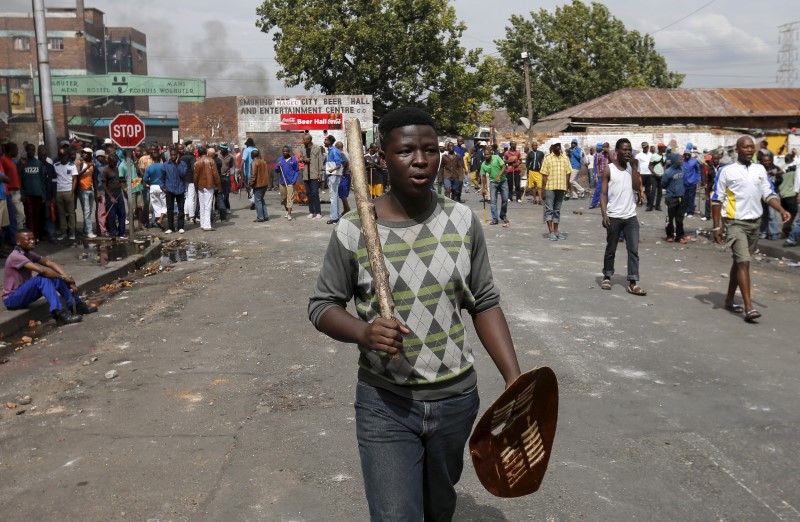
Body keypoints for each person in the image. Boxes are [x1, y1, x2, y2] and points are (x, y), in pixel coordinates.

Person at [307, 106, 521, 522]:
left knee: (438, 508)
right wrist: (364, 333)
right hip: (385, 403)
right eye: (406, 151)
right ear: (382, 157)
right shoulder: (353, 230)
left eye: (429, 149)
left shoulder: (461, 220)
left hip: (456, 400)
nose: (420, 159)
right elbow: (322, 306)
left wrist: (515, 380)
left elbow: (485, 301)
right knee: (395, 515)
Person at [711, 136, 791, 323]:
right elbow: (717, 199)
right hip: (735, 223)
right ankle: (749, 308)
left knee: (739, 262)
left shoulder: (759, 169)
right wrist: (717, 226)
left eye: (751, 147)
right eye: (745, 147)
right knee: (744, 262)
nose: (749, 150)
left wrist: (781, 209)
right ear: (737, 149)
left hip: (754, 224)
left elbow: (768, 193)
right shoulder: (726, 170)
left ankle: (730, 299)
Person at [3, 229, 96, 325]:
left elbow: (50, 264)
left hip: (24, 294)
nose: (32, 241)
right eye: (28, 239)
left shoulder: (29, 253)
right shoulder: (16, 256)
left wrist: (68, 279)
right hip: (12, 299)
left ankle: (76, 305)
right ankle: (59, 314)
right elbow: (42, 270)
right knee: (43, 278)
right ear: (18, 242)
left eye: (33, 239)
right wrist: (64, 278)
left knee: (53, 275)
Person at [599, 139, 646, 295]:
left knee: (633, 249)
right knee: (611, 248)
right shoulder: (609, 169)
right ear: (617, 151)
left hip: (630, 216)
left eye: (629, 150)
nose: (627, 152)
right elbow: (603, 194)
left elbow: (635, 186)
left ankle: (633, 282)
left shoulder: (630, 169)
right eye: (624, 150)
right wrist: (604, 214)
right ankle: (607, 276)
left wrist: (632, 167)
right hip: (614, 216)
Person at [541, 142, 572, 240]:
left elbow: (568, 173)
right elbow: (544, 176)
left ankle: (556, 231)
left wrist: (567, 186)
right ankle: (551, 232)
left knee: (557, 210)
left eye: (559, 145)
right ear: (553, 147)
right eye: (556, 146)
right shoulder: (548, 159)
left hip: (561, 187)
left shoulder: (565, 158)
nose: (558, 147)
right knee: (549, 210)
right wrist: (543, 189)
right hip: (550, 187)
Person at [19, 143, 45, 239]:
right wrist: (22, 194)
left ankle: (36, 236)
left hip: (38, 194)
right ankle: (31, 236)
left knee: (37, 216)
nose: (31, 152)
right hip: (27, 195)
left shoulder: (39, 163)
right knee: (29, 216)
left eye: (33, 150)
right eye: (29, 150)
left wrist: (43, 194)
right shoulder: (22, 164)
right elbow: (20, 180)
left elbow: (42, 180)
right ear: (26, 151)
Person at [194, 147, 222, 231]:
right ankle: (207, 225)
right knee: (208, 205)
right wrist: (219, 185)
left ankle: (202, 224)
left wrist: (196, 186)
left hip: (200, 185)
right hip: (209, 185)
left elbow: (195, 176)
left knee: (202, 205)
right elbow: (215, 174)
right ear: (206, 152)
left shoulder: (197, 162)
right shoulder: (211, 160)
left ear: (198, 153)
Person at [480, 145, 508, 226]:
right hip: (493, 183)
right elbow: (483, 176)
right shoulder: (484, 164)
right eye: (485, 155)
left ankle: (503, 215)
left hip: (503, 181)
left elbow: (504, 166)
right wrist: (484, 188)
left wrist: (499, 176)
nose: (487, 156)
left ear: (491, 154)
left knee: (505, 199)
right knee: (493, 201)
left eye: (488, 154)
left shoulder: (496, 157)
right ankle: (495, 219)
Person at [53, 148, 78, 241]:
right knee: (61, 213)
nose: (62, 157)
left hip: (68, 191)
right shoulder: (55, 165)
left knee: (71, 213)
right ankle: (63, 232)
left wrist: (72, 190)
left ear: (67, 156)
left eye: (64, 155)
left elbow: (75, 178)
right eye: (61, 155)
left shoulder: (72, 166)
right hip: (59, 192)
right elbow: (53, 178)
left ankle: (72, 232)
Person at [162, 148, 188, 234]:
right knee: (170, 209)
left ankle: (180, 226)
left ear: (178, 155)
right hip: (169, 189)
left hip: (180, 189)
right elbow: (161, 177)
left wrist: (177, 164)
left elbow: (183, 174)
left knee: (181, 209)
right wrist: (163, 187)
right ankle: (170, 227)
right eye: (171, 155)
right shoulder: (166, 165)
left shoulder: (183, 164)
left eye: (174, 155)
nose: (173, 156)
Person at [101, 154, 126, 239]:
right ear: (109, 161)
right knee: (111, 215)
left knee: (122, 214)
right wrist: (111, 197)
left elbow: (118, 180)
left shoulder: (116, 169)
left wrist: (127, 180)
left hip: (119, 194)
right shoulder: (105, 171)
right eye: (114, 162)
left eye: (116, 162)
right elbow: (104, 185)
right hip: (110, 195)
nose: (115, 164)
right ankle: (113, 232)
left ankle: (121, 232)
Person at [300, 134, 324, 219]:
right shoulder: (302, 147)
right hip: (306, 174)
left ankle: (318, 212)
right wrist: (303, 159)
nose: (303, 141)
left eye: (304, 140)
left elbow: (320, 161)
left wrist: (320, 174)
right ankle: (311, 211)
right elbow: (300, 158)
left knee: (315, 193)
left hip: (314, 174)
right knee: (309, 194)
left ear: (309, 140)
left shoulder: (317, 148)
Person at [276, 145, 300, 221]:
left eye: (286, 151)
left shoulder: (293, 160)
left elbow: (296, 171)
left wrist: (294, 179)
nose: (285, 152)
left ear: (289, 151)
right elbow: (276, 170)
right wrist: (278, 166)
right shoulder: (279, 160)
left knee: (290, 198)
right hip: (282, 182)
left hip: (290, 182)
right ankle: (287, 210)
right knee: (284, 199)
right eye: (284, 151)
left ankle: (289, 214)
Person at [324, 135, 343, 224]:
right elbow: (331, 165)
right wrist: (326, 169)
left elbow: (338, 164)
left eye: (326, 140)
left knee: (333, 197)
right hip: (331, 175)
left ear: (330, 141)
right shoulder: (330, 151)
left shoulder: (334, 151)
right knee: (334, 197)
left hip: (334, 176)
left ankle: (334, 217)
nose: (324, 141)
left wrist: (332, 170)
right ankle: (336, 216)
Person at [249, 149, 270, 222]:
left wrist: (250, 184)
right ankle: (265, 216)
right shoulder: (264, 162)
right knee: (261, 200)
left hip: (258, 185)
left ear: (252, 155)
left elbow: (253, 175)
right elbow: (267, 171)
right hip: (265, 183)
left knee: (258, 201)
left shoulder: (254, 163)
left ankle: (260, 217)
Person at [682, 146, 701, 218]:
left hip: (692, 182)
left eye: (688, 154)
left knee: (691, 197)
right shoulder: (682, 161)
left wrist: (697, 179)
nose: (687, 156)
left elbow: (698, 170)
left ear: (690, 155)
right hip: (684, 182)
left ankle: (690, 211)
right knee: (684, 197)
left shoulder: (694, 161)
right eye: (685, 154)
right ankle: (685, 210)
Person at [526, 140, 545, 205]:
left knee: (539, 186)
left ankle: (540, 199)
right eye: (533, 145)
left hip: (538, 172)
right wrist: (527, 173)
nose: (535, 146)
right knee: (533, 186)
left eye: (536, 145)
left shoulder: (541, 153)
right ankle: (534, 199)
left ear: (537, 146)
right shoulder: (529, 154)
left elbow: (543, 162)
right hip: (531, 171)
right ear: (532, 146)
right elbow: (527, 164)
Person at [635, 141, 653, 211]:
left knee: (648, 190)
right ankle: (640, 201)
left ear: (648, 147)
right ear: (642, 147)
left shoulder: (651, 155)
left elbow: (652, 164)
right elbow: (636, 165)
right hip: (641, 174)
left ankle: (649, 203)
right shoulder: (638, 155)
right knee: (639, 189)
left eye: (646, 147)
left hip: (649, 174)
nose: (645, 148)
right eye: (644, 147)